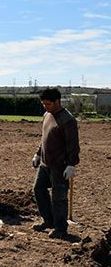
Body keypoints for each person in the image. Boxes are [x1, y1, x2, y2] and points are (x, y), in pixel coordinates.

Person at [32, 88, 80, 239]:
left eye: (48, 104)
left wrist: (71, 165)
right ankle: (48, 221)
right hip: (45, 164)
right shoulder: (47, 115)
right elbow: (44, 137)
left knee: (59, 198)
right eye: (43, 104)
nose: (45, 107)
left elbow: (73, 145)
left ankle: (60, 228)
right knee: (38, 189)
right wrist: (38, 154)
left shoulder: (68, 120)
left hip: (60, 166)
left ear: (57, 101)